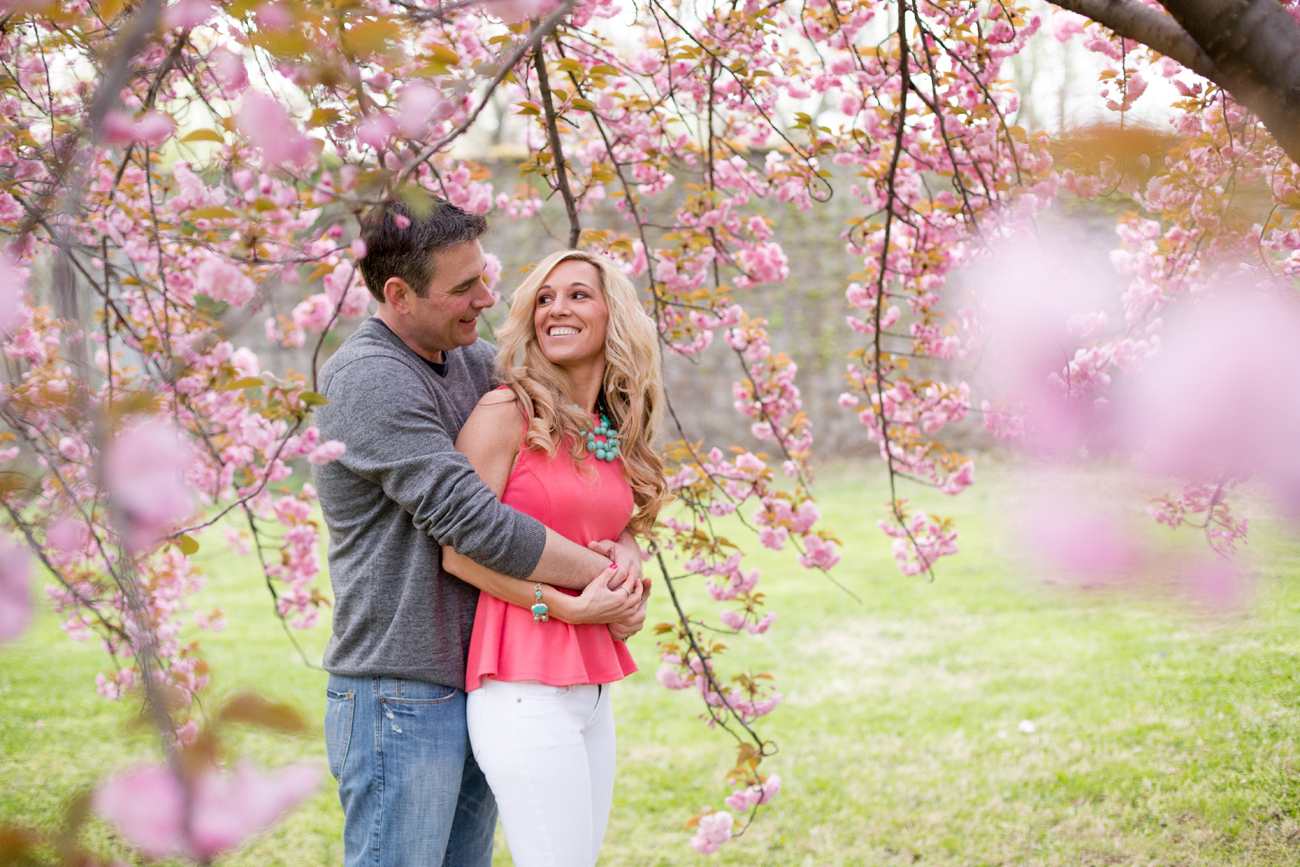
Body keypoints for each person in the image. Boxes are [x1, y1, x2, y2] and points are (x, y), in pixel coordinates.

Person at [312, 202, 649, 867]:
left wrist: (627, 546)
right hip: (401, 685)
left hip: (483, 674)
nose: (487, 299)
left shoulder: (474, 361)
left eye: (483, 277)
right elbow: (472, 521)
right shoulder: (368, 379)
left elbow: (572, 464)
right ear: (399, 295)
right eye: (464, 287)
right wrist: (603, 583)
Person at [440, 249, 667, 867]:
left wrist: (627, 569)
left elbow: (609, 524)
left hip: (591, 692)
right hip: (523, 687)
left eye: (577, 295)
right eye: (544, 298)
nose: (556, 309)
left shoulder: (605, 427)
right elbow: (456, 552)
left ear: (613, 315)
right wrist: (563, 606)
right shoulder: (506, 413)